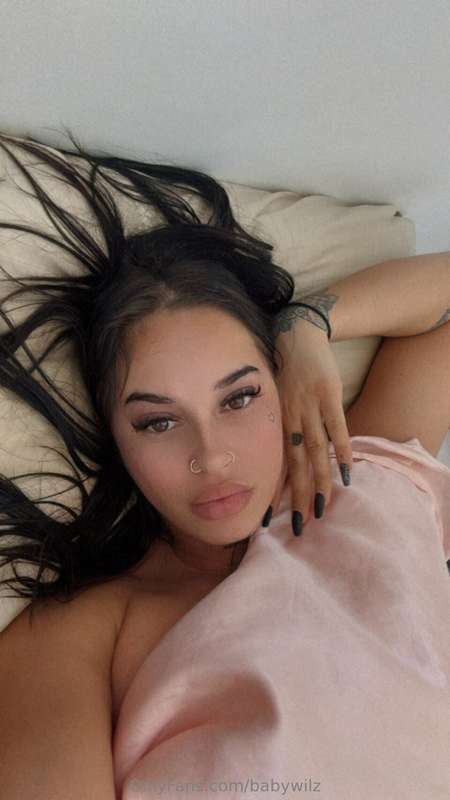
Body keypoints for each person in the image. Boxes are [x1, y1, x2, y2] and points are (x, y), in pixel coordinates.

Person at [0, 130, 449, 799]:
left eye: (239, 398)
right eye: (158, 421)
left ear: (283, 385)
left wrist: (305, 325)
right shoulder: (76, 637)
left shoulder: (363, 481)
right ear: (117, 438)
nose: (211, 457)